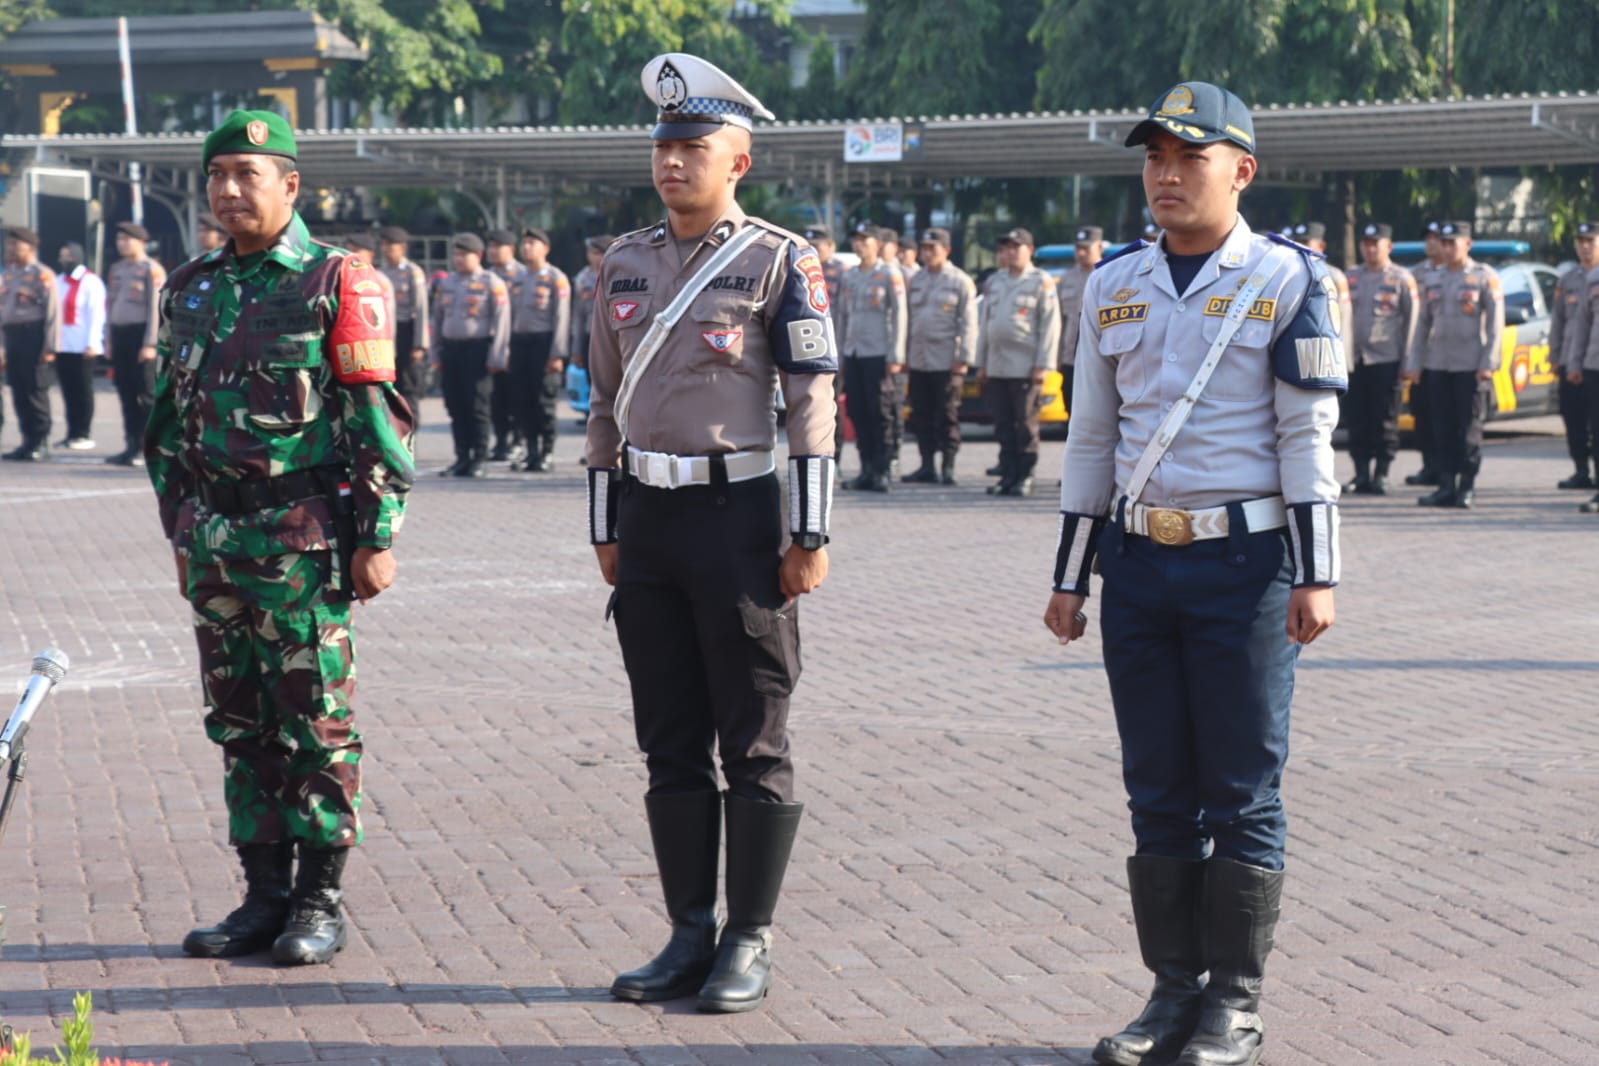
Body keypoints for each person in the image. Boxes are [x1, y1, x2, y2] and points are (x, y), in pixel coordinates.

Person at [1042, 81, 1343, 1066]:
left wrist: (1318, 574)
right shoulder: (1111, 283)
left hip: (1246, 565)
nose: (1167, 176)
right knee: (1156, 787)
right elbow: (1092, 435)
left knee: (1241, 787)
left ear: (1241, 170)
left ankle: (1235, 1003)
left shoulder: (1292, 280)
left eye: (1190, 158)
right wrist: (1071, 576)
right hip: (1138, 564)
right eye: (1154, 158)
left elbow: (1307, 439)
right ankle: (1172, 993)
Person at [585, 52, 837, 1015]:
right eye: (664, 147)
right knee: (669, 738)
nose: (673, 163)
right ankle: (688, 929)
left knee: (754, 737)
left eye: (694, 147)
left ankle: (748, 936)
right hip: (649, 518)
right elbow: (604, 404)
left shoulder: (779, 259)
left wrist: (807, 530)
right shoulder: (624, 262)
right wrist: (607, 526)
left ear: (739, 159)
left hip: (741, 518)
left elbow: (811, 400)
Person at [144, 109, 414, 967]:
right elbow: (165, 427)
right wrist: (183, 528)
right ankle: (261, 896)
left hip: (301, 540)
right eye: (216, 175)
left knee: (315, 722)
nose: (227, 190)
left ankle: (318, 900)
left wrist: (375, 535)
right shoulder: (187, 287)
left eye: (246, 176)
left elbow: (378, 419)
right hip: (216, 538)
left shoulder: (339, 282)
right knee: (239, 722)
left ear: (291, 185)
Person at [1406, 221, 1502, 509]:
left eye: (1452, 243)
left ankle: (1467, 486)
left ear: (1467, 244)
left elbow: (1496, 324)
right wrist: (1415, 362)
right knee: (1442, 429)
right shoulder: (1433, 279)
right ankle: (1445, 485)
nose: (1446, 249)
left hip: (1471, 366)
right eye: (1443, 243)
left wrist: (1488, 362)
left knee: (1469, 430)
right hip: (1438, 365)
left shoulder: (1485, 277)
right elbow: (1422, 324)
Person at [975, 227, 1060, 497]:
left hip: (1025, 366)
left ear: (1029, 250)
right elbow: (985, 324)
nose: (1011, 252)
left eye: (1017, 247)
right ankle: (1008, 474)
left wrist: (1042, 364)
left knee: (1024, 423)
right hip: (998, 364)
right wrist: (981, 362)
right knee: (1002, 423)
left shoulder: (1040, 281)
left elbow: (1050, 326)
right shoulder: (996, 281)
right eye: (1007, 247)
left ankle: (1025, 475)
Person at [1343, 222, 1417, 495]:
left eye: (1376, 243)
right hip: (1355, 359)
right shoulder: (1350, 277)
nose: (1370, 249)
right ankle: (1361, 473)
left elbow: (1413, 321)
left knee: (1384, 419)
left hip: (1387, 359)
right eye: (1366, 243)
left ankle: (1381, 473)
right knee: (1357, 419)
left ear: (1389, 246)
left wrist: (1409, 361)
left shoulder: (1400, 278)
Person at [430, 233, 510, 477]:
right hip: (451, 350)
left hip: (477, 350)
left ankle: (479, 457)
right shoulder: (447, 283)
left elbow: (502, 320)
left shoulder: (491, 282)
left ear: (478, 256)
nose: (459, 258)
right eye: (456, 254)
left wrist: (497, 356)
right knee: (455, 405)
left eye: (464, 254)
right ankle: (462, 456)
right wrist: (435, 354)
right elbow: (437, 319)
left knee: (477, 406)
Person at [901, 227, 976, 485]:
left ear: (947, 250)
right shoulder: (917, 279)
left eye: (933, 248)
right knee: (921, 413)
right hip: (919, 359)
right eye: (924, 248)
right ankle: (926, 465)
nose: (927, 253)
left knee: (947, 413)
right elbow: (908, 320)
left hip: (946, 359)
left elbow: (968, 323)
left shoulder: (959, 280)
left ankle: (948, 465)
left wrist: (963, 357)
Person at [837, 222, 906, 491]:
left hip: (878, 353)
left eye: (865, 241)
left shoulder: (890, 274)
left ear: (877, 245)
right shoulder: (849, 276)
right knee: (857, 411)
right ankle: (865, 468)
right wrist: (840, 353)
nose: (858, 245)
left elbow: (901, 315)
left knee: (880, 412)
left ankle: (882, 469)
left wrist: (896, 353)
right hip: (853, 352)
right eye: (856, 240)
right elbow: (841, 316)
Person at [103, 222, 167, 467]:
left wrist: (150, 343)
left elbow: (155, 310)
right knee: (126, 392)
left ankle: (148, 446)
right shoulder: (117, 269)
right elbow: (111, 306)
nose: (122, 244)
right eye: (119, 239)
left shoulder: (151, 270)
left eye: (126, 239)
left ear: (140, 242)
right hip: (120, 336)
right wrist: (108, 339)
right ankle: (130, 445)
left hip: (141, 337)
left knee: (146, 395)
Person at [507, 227, 571, 472]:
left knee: (544, 401)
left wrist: (557, 353)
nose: (527, 248)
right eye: (524, 243)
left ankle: (546, 452)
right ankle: (531, 450)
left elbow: (561, 317)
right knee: (523, 402)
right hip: (520, 344)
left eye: (532, 243)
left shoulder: (556, 278)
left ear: (546, 248)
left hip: (544, 344)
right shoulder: (518, 278)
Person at [0, 226, 60, 462]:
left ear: (31, 247)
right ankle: (27, 442)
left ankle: (40, 441)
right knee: (19, 390)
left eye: (16, 244)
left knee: (35, 391)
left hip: (33, 336)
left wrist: (49, 346)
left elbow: (53, 313)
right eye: (9, 244)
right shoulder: (9, 275)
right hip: (12, 337)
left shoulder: (42, 274)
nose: (10, 248)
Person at [1550, 222, 1599, 490]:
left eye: (1590, 241)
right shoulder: (1567, 280)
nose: (1585, 246)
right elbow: (1558, 322)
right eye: (1581, 241)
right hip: (1572, 358)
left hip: (1593, 358)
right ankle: (1581, 469)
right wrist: (1555, 355)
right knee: (1574, 418)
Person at [377, 225, 431, 430]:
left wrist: (420, 344)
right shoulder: (380, 272)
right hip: (387, 334)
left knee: (408, 389)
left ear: (403, 247)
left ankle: (411, 433)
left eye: (392, 245)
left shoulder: (412, 272)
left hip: (407, 331)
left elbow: (421, 309)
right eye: (384, 244)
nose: (387, 249)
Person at [53, 241, 106, 451]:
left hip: (83, 345)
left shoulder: (91, 282)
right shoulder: (59, 281)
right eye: (61, 256)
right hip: (63, 344)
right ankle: (71, 432)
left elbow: (96, 315)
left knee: (83, 391)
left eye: (67, 256)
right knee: (68, 391)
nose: (63, 260)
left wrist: (93, 343)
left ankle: (83, 433)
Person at [1406, 221, 1446, 487]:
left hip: (1448, 358)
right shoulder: (1416, 274)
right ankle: (1429, 465)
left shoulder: (1464, 273)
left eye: (1437, 238)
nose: (1431, 243)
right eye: (1428, 238)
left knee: (1446, 417)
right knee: (1422, 414)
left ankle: (1446, 469)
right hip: (1421, 354)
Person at [1057, 225, 1104, 438]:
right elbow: (1059, 321)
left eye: (1086, 247)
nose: (1081, 252)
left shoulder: (1109, 275)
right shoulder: (1065, 280)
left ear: (1099, 247)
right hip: (1070, 359)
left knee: (1100, 416)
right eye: (1078, 247)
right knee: (1071, 414)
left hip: (1101, 359)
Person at [484, 228, 526, 463]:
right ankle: (500, 441)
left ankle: (517, 440)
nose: (492, 251)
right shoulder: (487, 276)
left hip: (515, 342)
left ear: (510, 250)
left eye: (497, 247)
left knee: (516, 395)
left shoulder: (521, 275)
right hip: (491, 343)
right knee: (495, 397)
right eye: (490, 247)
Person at [570, 233, 611, 378]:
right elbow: (578, 316)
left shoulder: (621, 274)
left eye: (601, 253)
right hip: (591, 335)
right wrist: (576, 350)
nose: (597, 258)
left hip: (614, 337)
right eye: (594, 253)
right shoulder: (583, 279)